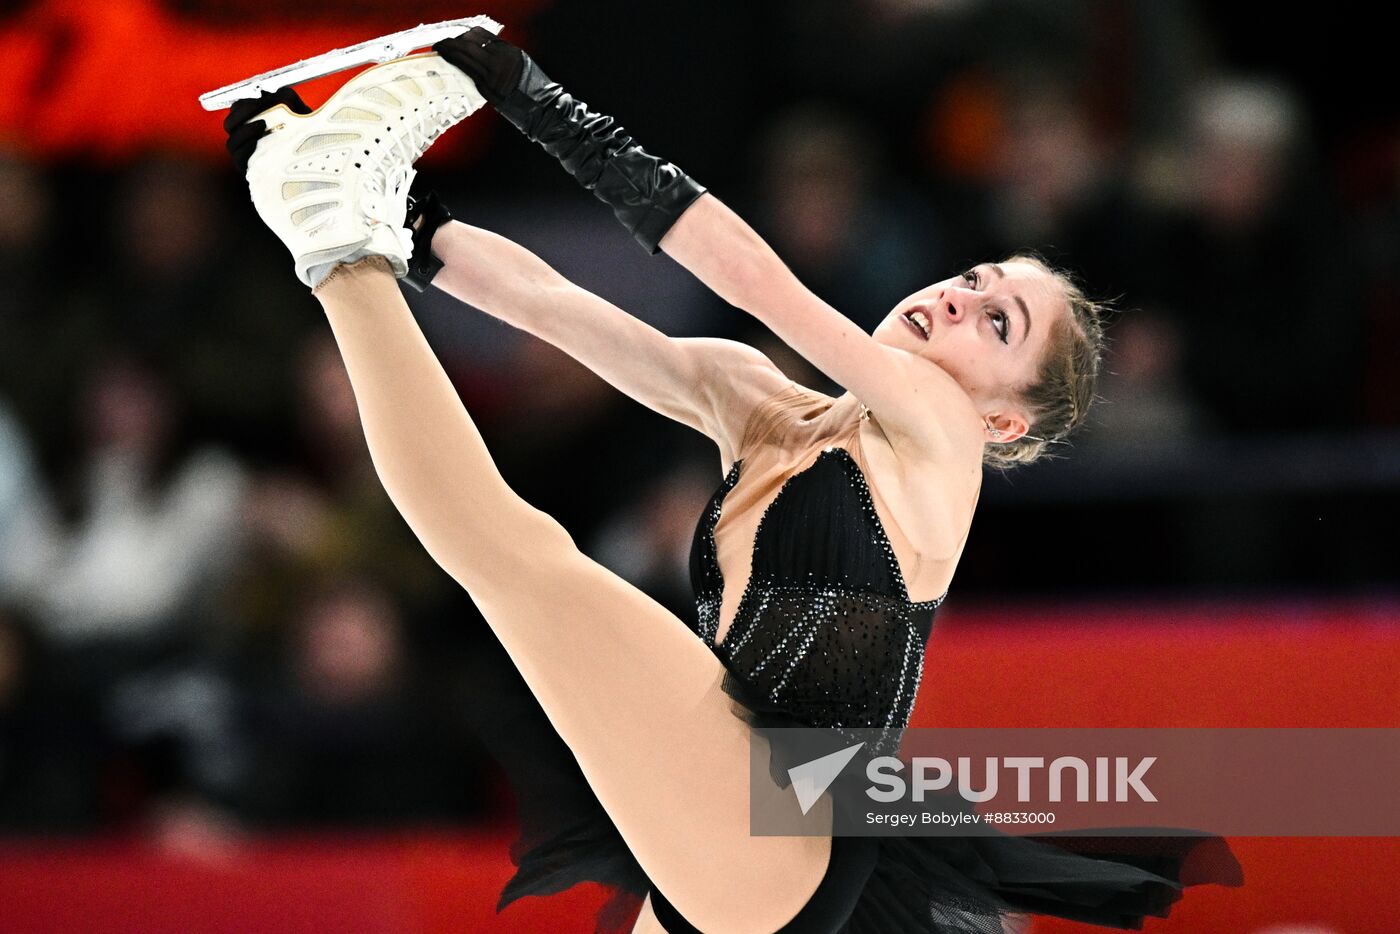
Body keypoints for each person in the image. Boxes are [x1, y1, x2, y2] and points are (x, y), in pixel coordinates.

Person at [220, 32, 1241, 934]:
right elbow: (552, 304)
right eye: (976, 280)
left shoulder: (943, 438)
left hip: (776, 820)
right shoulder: (756, 399)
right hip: (734, 812)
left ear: (1003, 418)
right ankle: (321, 208)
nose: (960, 301)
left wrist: (536, 100)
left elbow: (756, 279)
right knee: (518, 559)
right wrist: (396, 207)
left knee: (521, 560)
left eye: (999, 323)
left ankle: (330, 245)